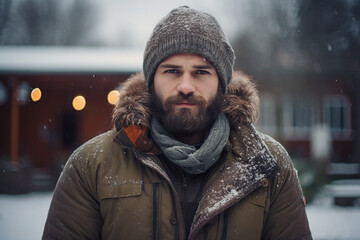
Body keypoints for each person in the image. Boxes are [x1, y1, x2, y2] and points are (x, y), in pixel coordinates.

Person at [43, 6, 312, 240]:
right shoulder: (91, 165)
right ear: (151, 82)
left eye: (201, 72)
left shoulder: (268, 164)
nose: (185, 86)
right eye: (172, 71)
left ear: (222, 84)